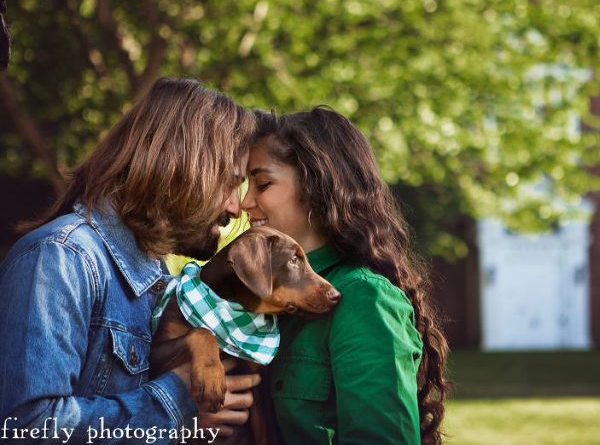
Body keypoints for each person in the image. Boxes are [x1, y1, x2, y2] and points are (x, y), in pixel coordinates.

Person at [0, 77, 261, 443]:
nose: (236, 207)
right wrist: (177, 404)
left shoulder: (160, 278)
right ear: (180, 166)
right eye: (229, 184)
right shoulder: (62, 258)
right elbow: (27, 427)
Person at [241, 106, 450, 444]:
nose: (245, 202)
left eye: (262, 183)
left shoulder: (362, 297)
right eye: (245, 184)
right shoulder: (252, 294)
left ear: (317, 183)